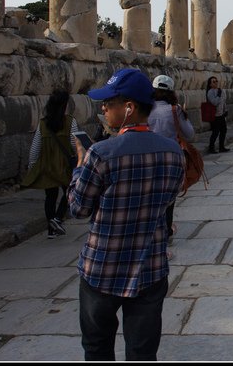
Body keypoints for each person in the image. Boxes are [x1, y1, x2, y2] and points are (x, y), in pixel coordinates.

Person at [68, 68, 184, 361]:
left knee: (97, 347)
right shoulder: (173, 152)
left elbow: (78, 208)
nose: (103, 108)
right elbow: (168, 200)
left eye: (110, 102)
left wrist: (81, 164)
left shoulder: (101, 153)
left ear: (129, 108)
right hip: (150, 267)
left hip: (102, 270)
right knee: (143, 352)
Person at [21, 89, 79, 239]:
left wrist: (32, 166)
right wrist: (80, 159)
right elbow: (75, 144)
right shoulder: (70, 122)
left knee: (50, 197)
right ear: (65, 105)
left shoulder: (43, 124)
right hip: (64, 165)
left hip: (47, 166)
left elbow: (35, 147)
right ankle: (58, 219)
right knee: (70, 193)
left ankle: (51, 229)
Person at [148, 74, 195, 252]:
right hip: (170, 159)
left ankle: (151, 231)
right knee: (169, 197)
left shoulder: (144, 109)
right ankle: (166, 233)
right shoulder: (175, 110)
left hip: (147, 158)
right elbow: (189, 135)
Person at [206, 75, 229, 153]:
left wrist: (226, 110)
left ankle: (221, 147)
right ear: (210, 84)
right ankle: (211, 148)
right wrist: (218, 95)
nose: (216, 83)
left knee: (223, 130)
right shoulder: (210, 92)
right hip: (215, 115)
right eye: (214, 81)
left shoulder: (221, 91)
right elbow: (214, 102)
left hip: (221, 114)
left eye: (216, 81)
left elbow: (224, 101)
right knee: (215, 132)